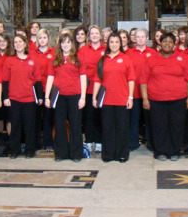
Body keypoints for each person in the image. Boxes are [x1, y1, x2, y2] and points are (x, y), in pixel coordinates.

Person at [139, 32, 188, 161]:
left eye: (170, 42)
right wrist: (145, 99)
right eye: (165, 41)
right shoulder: (151, 59)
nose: (167, 44)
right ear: (160, 43)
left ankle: (175, 151)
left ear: (175, 44)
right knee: (159, 126)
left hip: (178, 99)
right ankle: (160, 151)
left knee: (177, 126)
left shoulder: (182, 58)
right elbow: (143, 80)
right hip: (156, 100)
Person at [45, 32, 87, 162]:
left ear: (72, 44)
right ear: (60, 44)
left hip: (75, 95)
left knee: (75, 125)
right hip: (59, 97)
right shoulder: (55, 59)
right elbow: (50, 78)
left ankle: (76, 154)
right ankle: (61, 154)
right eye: (63, 42)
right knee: (59, 125)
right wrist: (47, 97)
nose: (66, 45)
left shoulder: (78, 58)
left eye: (68, 42)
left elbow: (83, 78)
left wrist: (83, 97)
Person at [93, 32, 135, 163]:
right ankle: (108, 154)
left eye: (117, 42)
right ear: (107, 44)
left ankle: (122, 154)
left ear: (120, 44)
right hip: (106, 100)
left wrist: (131, 97)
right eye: (111, 42)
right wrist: (94, 97)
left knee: (122, 128)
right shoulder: (102, 60)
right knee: (107, 127)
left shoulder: (126, 58)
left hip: (122, 99)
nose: (114, 44)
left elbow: (131, 79)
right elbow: (97, 80)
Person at [3, 34, 39, 158]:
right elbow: (5, 80)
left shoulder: (32, 60)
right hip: (14, 98)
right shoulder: (9, 60)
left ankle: (30, 150)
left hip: (29, 98)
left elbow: (37, 79)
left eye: (20, 42)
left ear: (25, 44)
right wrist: (5, 97)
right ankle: (14, 150)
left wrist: (39, 97)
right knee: (15, 126)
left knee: (29, 126)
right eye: (16, 42)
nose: (18, 44)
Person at [127, 28, 156, 151]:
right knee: (133, 120)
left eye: (142, 36)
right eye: (138, 37)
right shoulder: (128, 53)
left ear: (147, 38)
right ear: (134, 38)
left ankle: (151, 143)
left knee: (150, 120)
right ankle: (133, 143)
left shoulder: (153, 53)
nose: (140, 39)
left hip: (149, 92)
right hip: (134, 93)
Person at [78, 25, 106, 153]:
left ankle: (100, 140)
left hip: (102, 87)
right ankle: (89, 140)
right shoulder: (83, 50)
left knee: (100, 115)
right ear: (89, 36)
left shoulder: (105, 49)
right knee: (88, 116)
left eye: (96, 33)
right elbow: (79, 67)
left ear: (100, 36)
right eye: (92, 33)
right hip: (88, 86)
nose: (94, 36)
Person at [32, 28, 55, 151]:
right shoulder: (32, 53)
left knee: (48, 117)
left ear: (48, 39)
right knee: (35, 116)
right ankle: (36, 142)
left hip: (49, 87)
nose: (42, 40)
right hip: (36, 88)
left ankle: (48, 142)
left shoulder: (54, 52)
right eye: (40, 38)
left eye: (44, 37)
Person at [0, 32, 12, 134]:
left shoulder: (12, 55)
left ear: (8, 42)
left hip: (10, 87)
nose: (2, 43)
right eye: (0, 41)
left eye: (4, 41)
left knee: (9, 116)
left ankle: (10, 139)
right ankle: (0, 139)